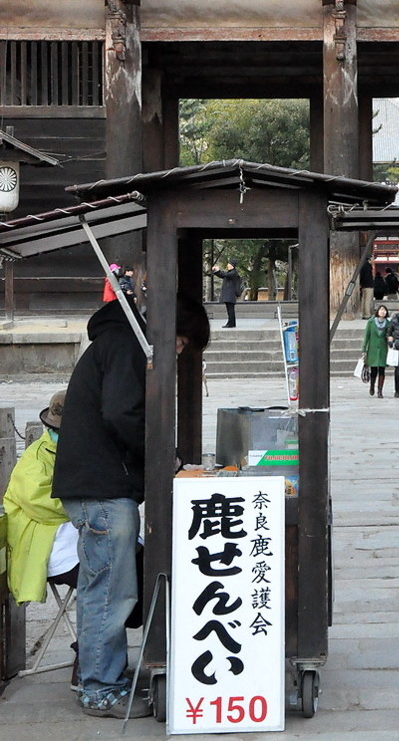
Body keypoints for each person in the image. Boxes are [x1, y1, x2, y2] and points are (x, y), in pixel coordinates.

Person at [52, 294, 210, 719]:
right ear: (168, 327)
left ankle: (102, 678)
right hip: (102, 487)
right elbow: (123, 412)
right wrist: (163, 455)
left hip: (99, 484)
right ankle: (101, 689)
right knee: (109, 592)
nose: (178, 353)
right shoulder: (124, 343)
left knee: (105, 588)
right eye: (180, 343)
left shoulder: (118, 340)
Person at [4, 390, 79, 605]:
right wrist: (87, 503)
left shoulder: (75, 452)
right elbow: (45, 504)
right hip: (43, 544)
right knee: (103, 573)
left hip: (67, 537)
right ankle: (92, 637)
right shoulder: (35, 460)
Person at [362, 304, 390, 398]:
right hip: (373, 349)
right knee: (373, 370)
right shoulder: (371, 322)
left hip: (383, 349)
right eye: (381, 310)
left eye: (384, 310)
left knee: (382, 370)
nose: (383, 312)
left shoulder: (388, 323)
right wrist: (364, 349)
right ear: (378, 311)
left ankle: (380, 390)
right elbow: (366, 336)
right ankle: (372, 386)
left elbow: (389, 334)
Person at [213, 259, 242, 328]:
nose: (228, 265)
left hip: (230, 294)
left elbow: (225, 275)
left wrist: (218, 270)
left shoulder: (233, 273)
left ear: (233, 266)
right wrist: (216, 271)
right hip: (229, 294)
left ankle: (231, 323)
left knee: (230, 309)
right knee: (230, 309)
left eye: (229, 264)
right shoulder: (230, 273)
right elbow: (222, 275)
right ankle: (231, 323)